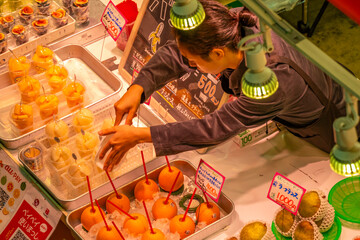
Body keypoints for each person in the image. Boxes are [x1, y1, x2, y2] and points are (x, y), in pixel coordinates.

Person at [99, 0, 351, 171]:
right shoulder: (231, 23)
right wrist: (138, 88)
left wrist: (143, 136)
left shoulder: (269, 82)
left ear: (218, 55)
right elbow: (177, 53)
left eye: (195, 62)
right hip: (313, 86)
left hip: (335, 121)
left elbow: (215, 128)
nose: (189, 64)